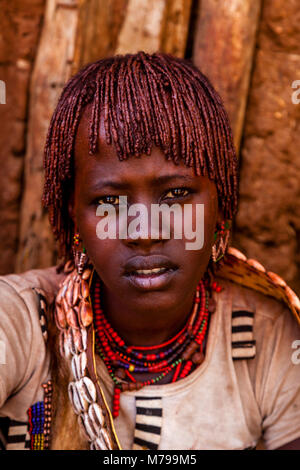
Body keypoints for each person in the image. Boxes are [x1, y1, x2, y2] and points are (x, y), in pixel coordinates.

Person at [0, 52, 299, 451]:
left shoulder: (270, 339)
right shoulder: (19, 322)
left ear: (221, 206)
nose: (144, 232)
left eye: (176, 194)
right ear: (75, 215)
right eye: (110, 200)